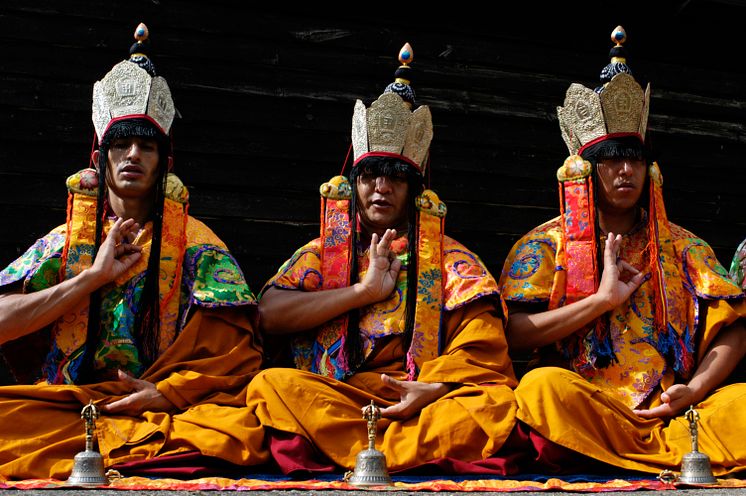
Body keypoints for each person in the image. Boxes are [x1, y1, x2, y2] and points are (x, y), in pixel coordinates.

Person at [0, 24, 267, 480]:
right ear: (102, 157)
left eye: (147, 146)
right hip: (71, 405)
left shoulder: (199, 247)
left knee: (241, 428)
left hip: (168, 409)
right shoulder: (66, 240)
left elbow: (237, 356)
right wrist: (92, 277)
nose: (132, 155)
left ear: (164, 160)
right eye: (120, 144)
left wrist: (167, 393)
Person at [247, 44, 518, 475]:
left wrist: (435, 387)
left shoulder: (451, 260)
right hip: (342, 399)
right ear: (354, 183)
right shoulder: (322, 252)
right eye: (370, 175)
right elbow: (268, 315)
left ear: (413, 189)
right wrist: (362, 292)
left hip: (422, 402)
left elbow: (484, 352)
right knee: (271, 385)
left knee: (496, 402)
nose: (381, 188)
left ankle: (362, 455)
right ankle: (392, 456)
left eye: (394, 178)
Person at [498, 26, 746, 476]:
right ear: (585, 170)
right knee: (541, 388)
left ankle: (637, 457)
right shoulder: (545, 244)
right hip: (588, 407)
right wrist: (600, 301)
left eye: (635, 158)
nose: (626, 170)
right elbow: (514, 334)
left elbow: (734, 329)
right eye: (611, 159)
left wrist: (697, 389)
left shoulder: (685, 246)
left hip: (675, 413)